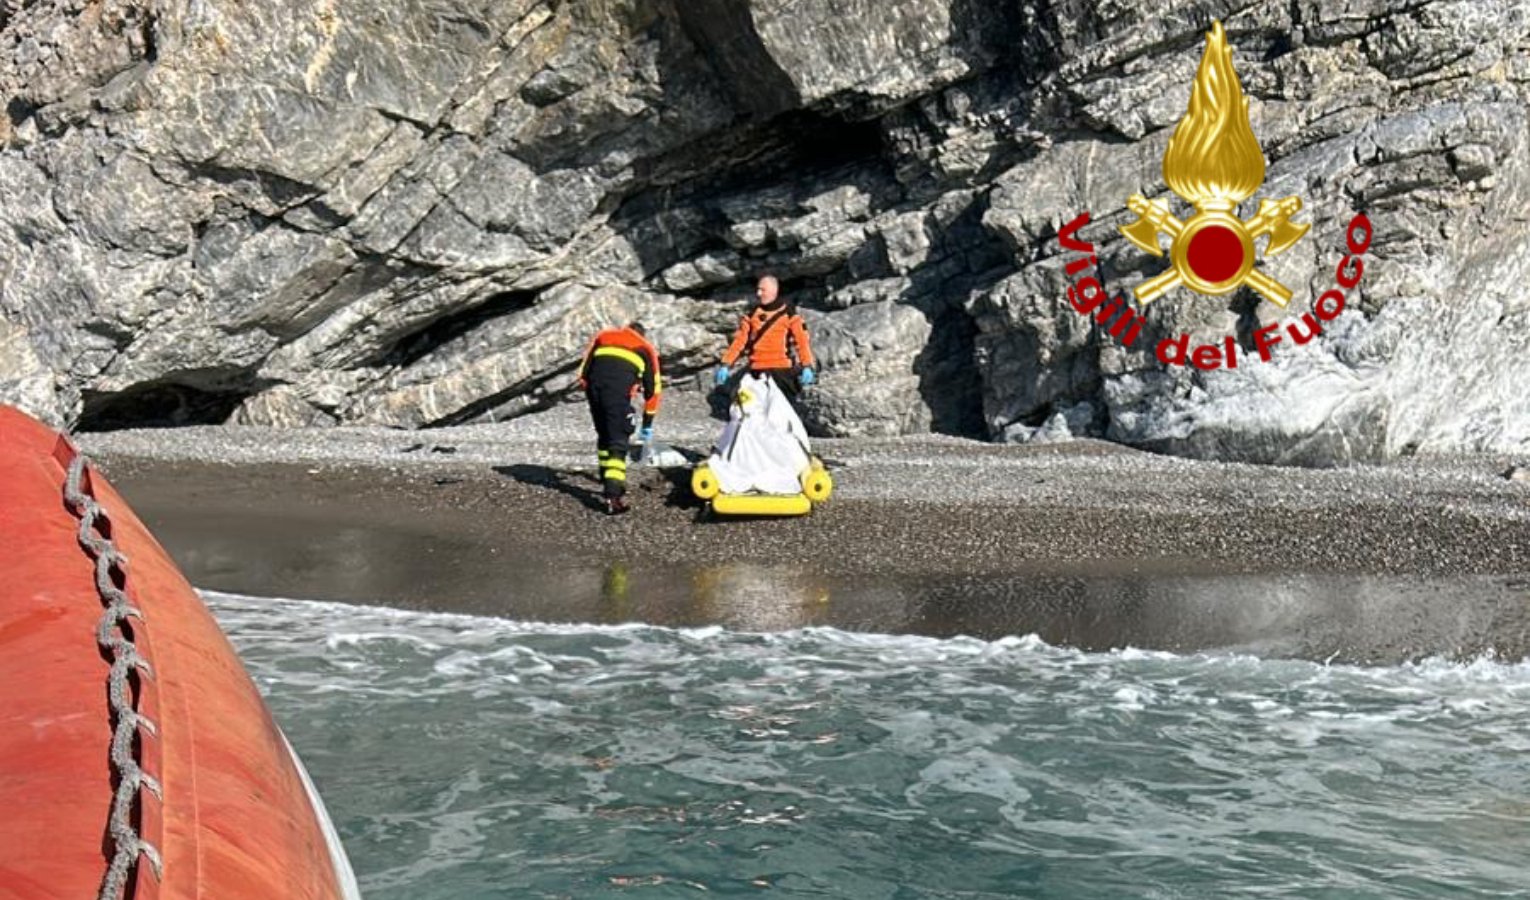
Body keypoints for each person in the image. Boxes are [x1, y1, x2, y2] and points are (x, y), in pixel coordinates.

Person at [576, 321, 661, 515]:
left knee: (604, 435)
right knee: (619, 440)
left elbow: (582, 374)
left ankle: (606, 478)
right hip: (615, 393)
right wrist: (647, 424)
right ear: (642, 334)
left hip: (594, 389)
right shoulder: (645, 348)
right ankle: (613, 497)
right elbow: (654, 391)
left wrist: (596, 392)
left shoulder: (603, 336)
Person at [713, 275, 816, 400]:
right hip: (756, 371)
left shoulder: (789, 314)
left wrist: (807, 365)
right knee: (748, 407)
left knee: (781, 408)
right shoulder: (751, 316)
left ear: (774, 290)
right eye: (758, 289)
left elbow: (802, 341)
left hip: (781, 371)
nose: (758, 293)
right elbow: (739, 342)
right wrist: (726, 364)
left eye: (762, 290)